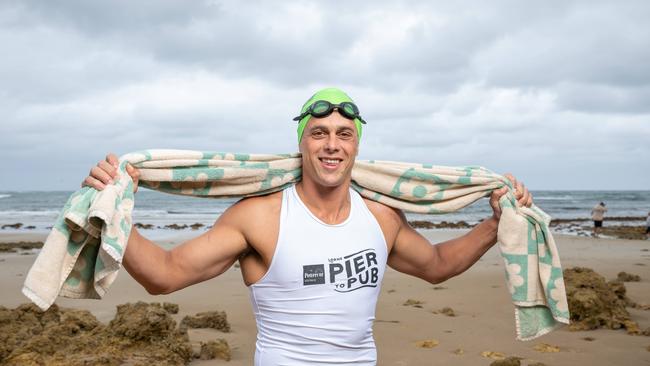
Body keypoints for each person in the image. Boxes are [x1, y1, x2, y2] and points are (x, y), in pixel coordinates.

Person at [82, 88, 533, 365]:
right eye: (319, 132)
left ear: (357, 147)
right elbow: (164, 276)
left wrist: (495, 225)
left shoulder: (379, 216)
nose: (332, 144)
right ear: (302, 143)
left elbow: (436, 264)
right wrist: (111, 214)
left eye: (344, 133)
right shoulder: (259, 216)